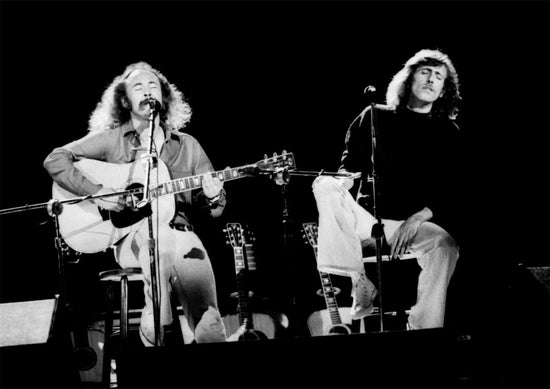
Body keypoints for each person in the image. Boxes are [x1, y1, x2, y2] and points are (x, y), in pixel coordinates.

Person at [44, 62, 231, 345]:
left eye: (153, 86)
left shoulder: (188, 145)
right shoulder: (111, 140)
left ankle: (161, 326)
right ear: (124, 100)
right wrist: (100, 191)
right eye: (138, 87)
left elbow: (215, 208)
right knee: (158, 236)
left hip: (182, 236)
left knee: (210, 321)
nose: (147, 91)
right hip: (131, 239)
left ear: (164, 97)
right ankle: (157, 326)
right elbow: (55, 159)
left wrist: (214, 194)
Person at [312, 49, 462, 330]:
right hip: (367, 221)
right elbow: (348, 165)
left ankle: (424, 328)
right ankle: (359, 280)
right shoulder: (374, 115)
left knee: (445, 246)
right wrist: (342, 182)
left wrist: (416, 219)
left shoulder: (447, 131)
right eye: (425, 72)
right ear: (409, 79)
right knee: (324, 184)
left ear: (444, 90)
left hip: (412, 223)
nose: (431, 79)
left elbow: (452, 189)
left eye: (438, 76)